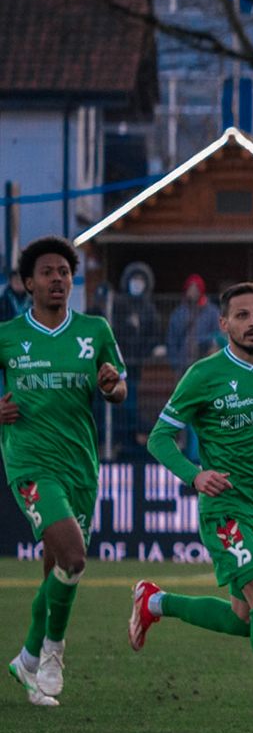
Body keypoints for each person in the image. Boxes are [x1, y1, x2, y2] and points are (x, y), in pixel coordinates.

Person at [128, 283, 253, 730]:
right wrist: (195, 474)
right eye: (243, 316)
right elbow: (159, 438)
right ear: (224, 324)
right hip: (225, 511)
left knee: (244, 619)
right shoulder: (204, 374)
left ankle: (156, 602)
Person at [1, 237, 129, 707]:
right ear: (27, 282)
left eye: (65, 272)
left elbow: (118, 389)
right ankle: (48, 652)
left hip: (81, 466)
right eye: (48, 272)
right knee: (74, 558)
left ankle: (28, 665)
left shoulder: (94, 330)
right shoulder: (8, 335)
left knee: (56, 569)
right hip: (31, 464)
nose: (59, 278)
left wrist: (112, 386)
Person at [108, 261, 163, 453]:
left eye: (140, 280)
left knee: (131, 402)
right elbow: (114, 331)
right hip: (119, 363)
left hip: (137, 364)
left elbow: (153, 334)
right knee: (121, 404)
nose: (137, 284)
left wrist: (149, 350)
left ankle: (132, 438)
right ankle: (124, 440)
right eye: (134, 280)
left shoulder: (149, 309)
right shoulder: (120, 305)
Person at [166, 274, 222, 369]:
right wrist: (174, 362)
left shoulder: (212, 312)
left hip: (205, 362)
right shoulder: (178, 314)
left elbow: (218, 334)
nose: (193, 291)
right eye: (190, 288)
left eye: (196, 288)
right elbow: (172, 339)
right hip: (183, 363)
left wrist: (200, 343)